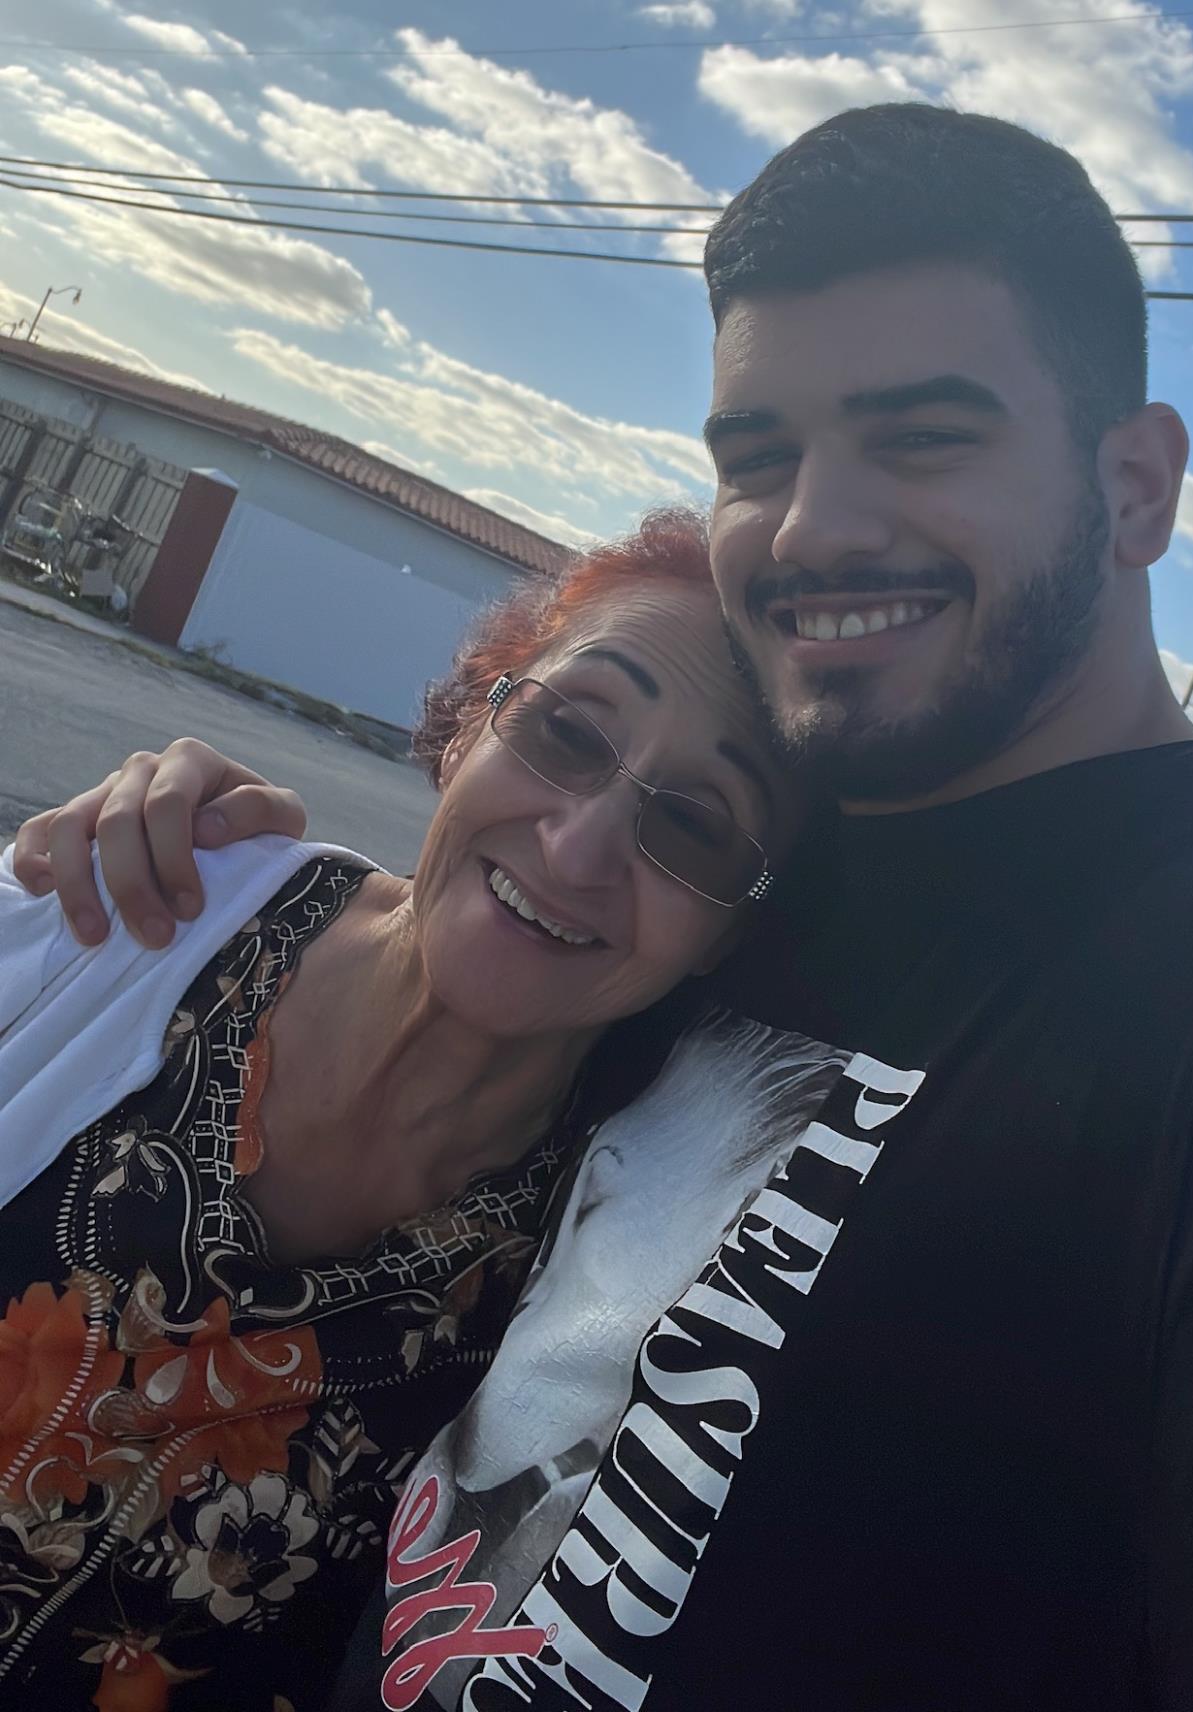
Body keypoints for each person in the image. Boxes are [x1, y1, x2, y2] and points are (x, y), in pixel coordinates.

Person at [15, 104, 1193, 1711]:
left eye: (922, 436)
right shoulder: (755, 893)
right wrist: (172, 873)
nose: (814, 525)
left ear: (1137, 486)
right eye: (757, 457)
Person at [0, 513, 836, 1712]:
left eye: (695, 824)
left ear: (729, 934)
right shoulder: (136, 903)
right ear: (471, 724)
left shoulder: (598, 1293)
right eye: (566, 730)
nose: (578, 846)